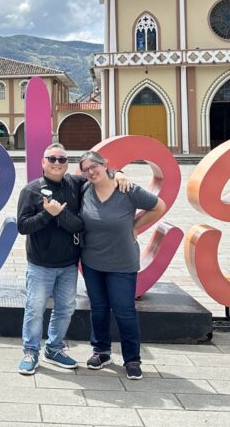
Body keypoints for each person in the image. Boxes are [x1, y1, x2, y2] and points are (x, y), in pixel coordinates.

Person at [16, 143, 131, 375]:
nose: (57, 163)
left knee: (66, 309)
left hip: (69, 263)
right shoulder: (31, 191)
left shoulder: (75, 183)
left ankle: (55, 348)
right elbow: (23, 226)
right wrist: (47, 214)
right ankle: (30, 351)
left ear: (67, 164)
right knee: (35, 308)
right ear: (43, 162)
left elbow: (98, 173)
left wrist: (117, 173)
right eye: (52, 159)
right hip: (40, 264)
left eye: (61, 159)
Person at [77, 149, 164, 381]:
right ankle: (101, 351)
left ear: (104, 164)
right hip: (92, 261)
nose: (91, 171)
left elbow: (159, 206)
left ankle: (132, 359)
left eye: (94, 166)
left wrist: (135, 227)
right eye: (86, 169)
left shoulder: (126, 189)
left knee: (125, 311)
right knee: (99, 308)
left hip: (122, 262)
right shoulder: (84, 189)